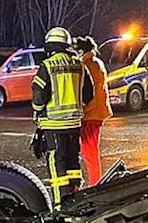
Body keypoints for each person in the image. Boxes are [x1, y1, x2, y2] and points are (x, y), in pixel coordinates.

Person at [31, 27, 93, 201]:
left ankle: (60, 203)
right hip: (74, 124)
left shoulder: (48, 65)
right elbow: (89, 94)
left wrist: (37, 110)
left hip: (53, 124)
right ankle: (76, 197)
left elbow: (39, 94)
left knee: (57, 162)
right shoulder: (80, 65)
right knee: (73, 161)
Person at [74, 36, 112, 186]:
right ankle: (95, 182)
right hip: (96, 112)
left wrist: (82, 111)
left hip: (91, 114)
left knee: (89, 153)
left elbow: (89, 93)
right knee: (89, 152)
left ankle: (95, 185)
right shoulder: (95, 62)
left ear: (82, 51)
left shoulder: (88, 65)